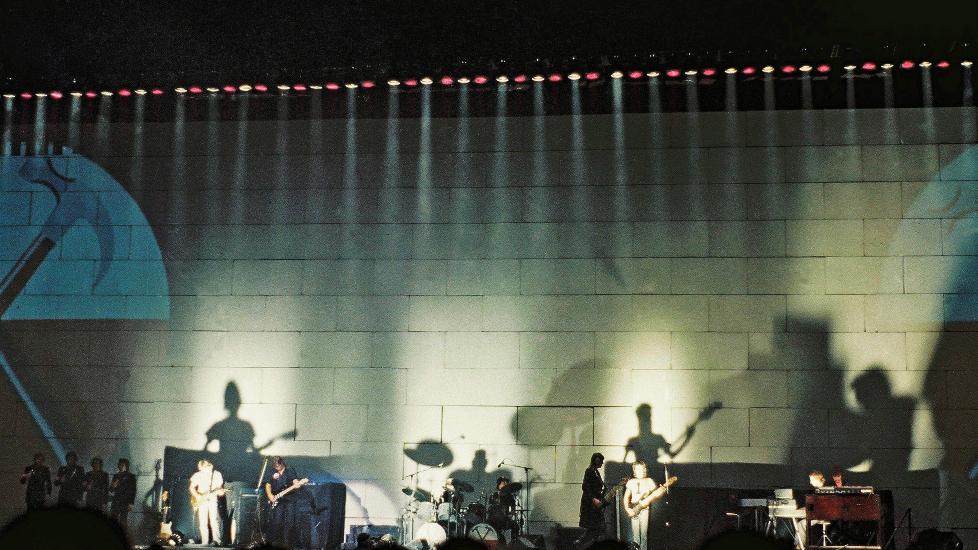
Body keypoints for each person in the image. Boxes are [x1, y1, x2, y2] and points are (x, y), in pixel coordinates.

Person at [265, 456, 302, 547]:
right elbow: (268, 485)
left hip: (289, 499)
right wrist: (270, 495)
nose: (276, 467)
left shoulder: (290, 470)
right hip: (278, 500)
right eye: (275, 466)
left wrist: (297, 484)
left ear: (282, 463)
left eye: (277, 466)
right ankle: (273, 543)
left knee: (290, 522)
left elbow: (295, 480)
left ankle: (288, 544)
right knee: (276, 521)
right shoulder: (272, 472)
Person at [189, 459, 225, 545]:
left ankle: (217, 541)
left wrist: (220, 492)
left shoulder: (217, 474)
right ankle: (205, 542)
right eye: (202, 468)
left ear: (209, 465)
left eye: (206, 466)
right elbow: (191, 487)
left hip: (212, 499)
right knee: (202, 522)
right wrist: (198, 496)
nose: (203, 469)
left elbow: (219, 489)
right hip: (202, 501)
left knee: (214, 520)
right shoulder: (197, 475)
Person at [623, 462, 657, 550]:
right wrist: (627, 509)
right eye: (637, 469)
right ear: (634, 471)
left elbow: (655, 494)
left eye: (641, 469)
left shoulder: (649, 481)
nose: (639, 471)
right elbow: (626, 497)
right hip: (634, 509)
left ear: (644, 470)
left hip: (645, 510)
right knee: (636, 535)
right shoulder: (631, 482)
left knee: (644, 534)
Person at [577, 452, 606, 547]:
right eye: (601, 461)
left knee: (596, 526)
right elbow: (585, 486)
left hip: (594, 502)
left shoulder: (595, 472)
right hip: (591, 504)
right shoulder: (590, 471)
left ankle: (582, 542)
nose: (602, 463)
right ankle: (582, 542)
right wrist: (593, 498)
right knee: (595, 526)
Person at [487, 477, 520, 543]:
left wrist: (511, 514)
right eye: (502, 483)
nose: (504, 485)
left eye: (506, 483)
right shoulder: (494, 495)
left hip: (505, 518)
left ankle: (511, 542)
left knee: (515, 526)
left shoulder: (510, 496)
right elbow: (489, 508)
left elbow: (513, 508)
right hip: (493, 518)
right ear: (498, 485)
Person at [110, 458, 137, 530]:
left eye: (123, 465)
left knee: (123, 520)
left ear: (126, 466)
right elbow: (111, 490)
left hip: (125, 501)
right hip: (116, 500)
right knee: (113, 518)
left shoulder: (131, 476)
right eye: (119, 465)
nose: (121, 466)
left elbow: (133, 490)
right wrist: (113, 486)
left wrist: (131, 503)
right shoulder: (116, 476)